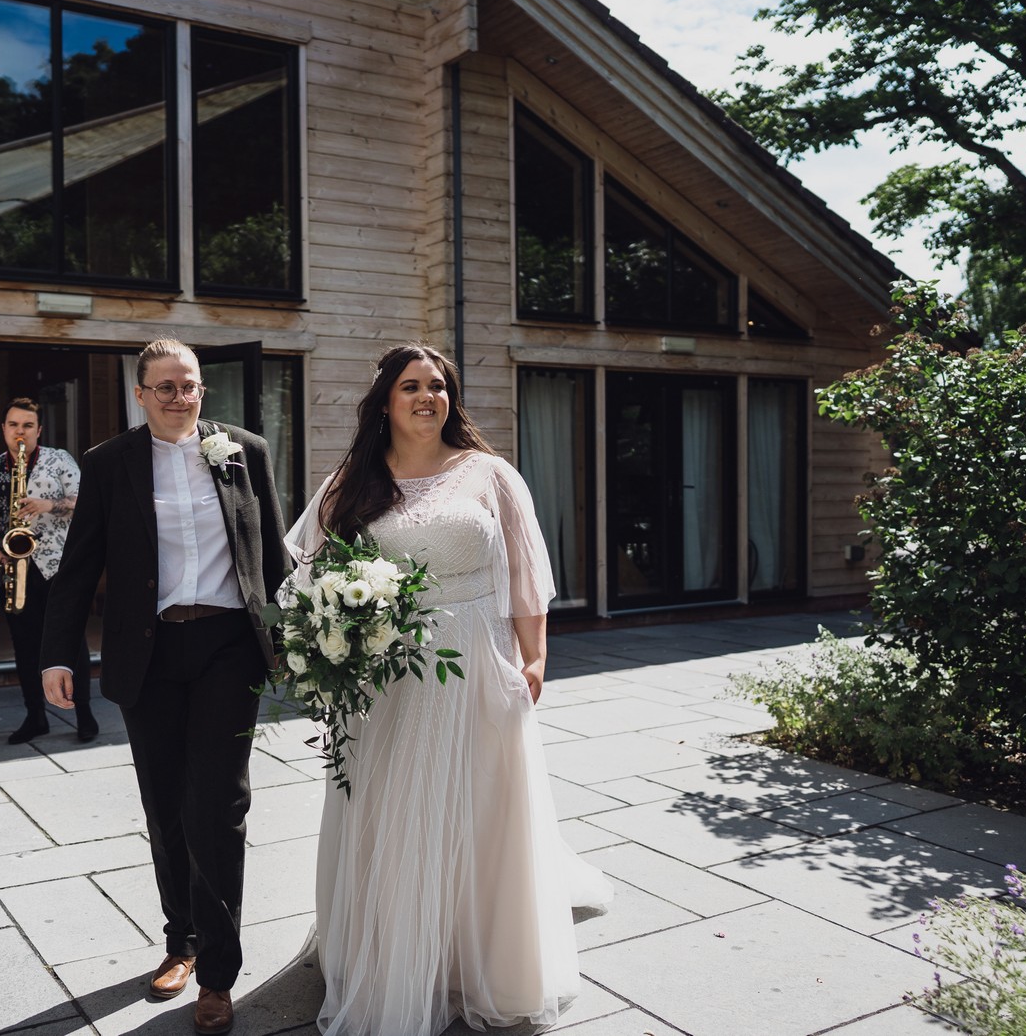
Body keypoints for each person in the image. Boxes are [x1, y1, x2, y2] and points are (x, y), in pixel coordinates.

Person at [285, 345, 613, 1036]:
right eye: (411, 386)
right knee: (391, 805)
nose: (426, 397)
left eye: (437, 386)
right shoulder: (353, 481)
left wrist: (535, 657)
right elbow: (315, 576)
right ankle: (393, 951)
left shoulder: (489, 474)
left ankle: (480, 958)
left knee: (482, 805)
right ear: (385, 401)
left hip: (478, 660)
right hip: (389, 674)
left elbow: (524, 569)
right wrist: (330, 643)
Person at [39, 338, 291, 1036]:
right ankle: (180, 940)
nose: (181, 397)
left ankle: (217, 974)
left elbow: (272, 554)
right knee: (166, 805)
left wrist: (298, 637)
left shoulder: (244, 451)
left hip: (228, 647)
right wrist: (57, 654)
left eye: (190, 386)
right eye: (166, 387)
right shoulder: (108, 463)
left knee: (219, 804)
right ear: (141, 395)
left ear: (202, 389)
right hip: (146, 654)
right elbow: (79, 563)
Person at [0, 397, 97, 744]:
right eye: (13, 425)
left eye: (27, 426)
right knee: (24, 646)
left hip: (58, 567)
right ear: (3, 429)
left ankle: (84, 715)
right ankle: (35, 716)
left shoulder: (60, 460)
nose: (20, 432)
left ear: (39, 430)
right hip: (13, 568)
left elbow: (87, 501)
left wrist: (47, 505)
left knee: (71, 640)